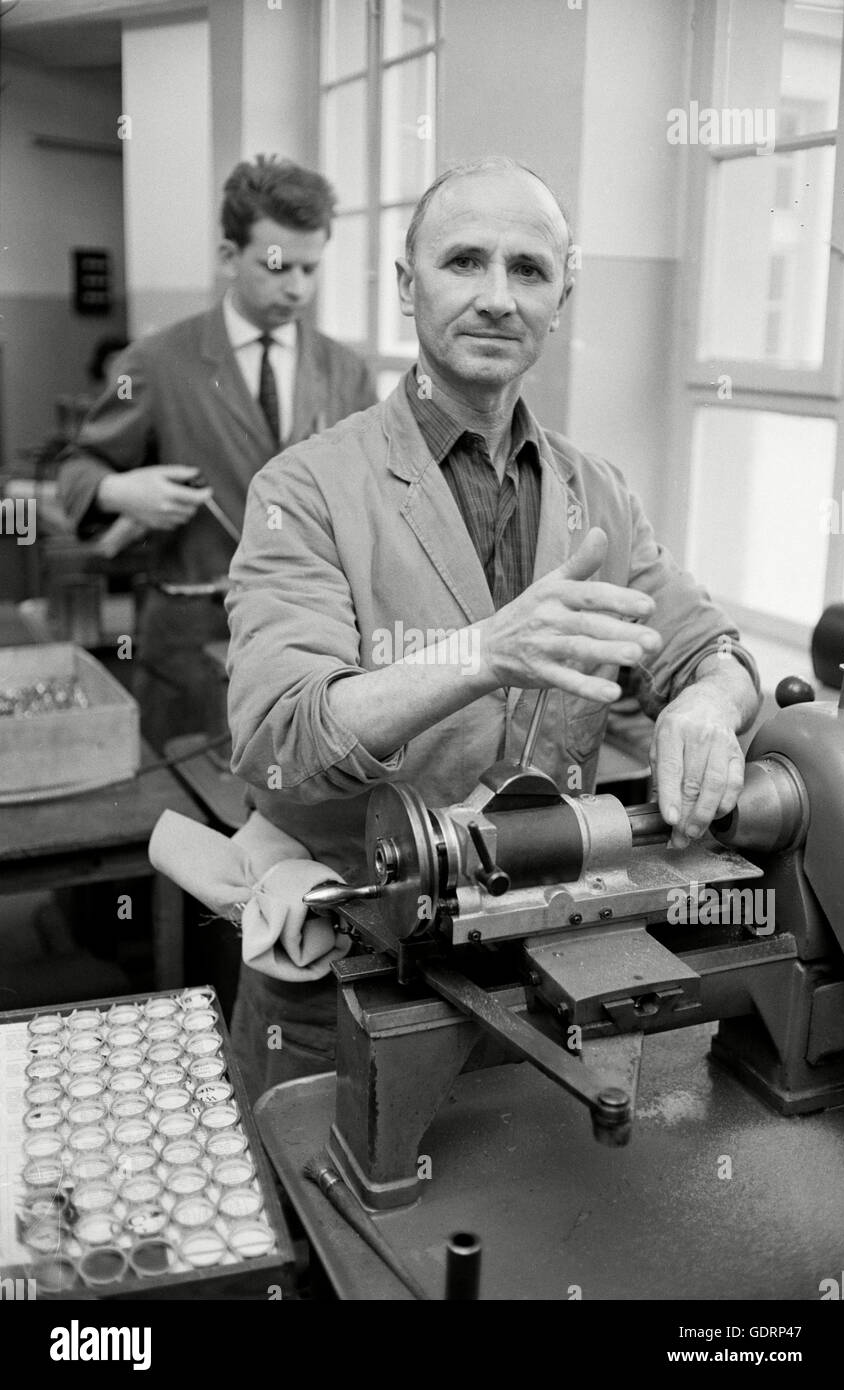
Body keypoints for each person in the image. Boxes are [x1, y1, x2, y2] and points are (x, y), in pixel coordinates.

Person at [225, 155, 760, 1100]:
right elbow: (276, 741)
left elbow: (704, 645)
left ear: (561, 298)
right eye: (464, 262)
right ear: (406, 284)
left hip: (549, 978)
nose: (497, 298)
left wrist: (713, 701)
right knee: (330, 1235)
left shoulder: (598, 493)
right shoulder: (304, 490)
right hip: (347, 986)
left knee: (534, 1224)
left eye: (529, 271)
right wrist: (483, 655)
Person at [58, 156, 376, 750]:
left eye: (311, 268)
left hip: (311, 638)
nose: (297, 288)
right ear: (229, 256)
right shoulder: (156, 363)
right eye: (277, 266)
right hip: (189, 634)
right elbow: (75, 469)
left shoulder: (344, 371)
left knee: (290, 817)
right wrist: (121, 490)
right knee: (188, 804)